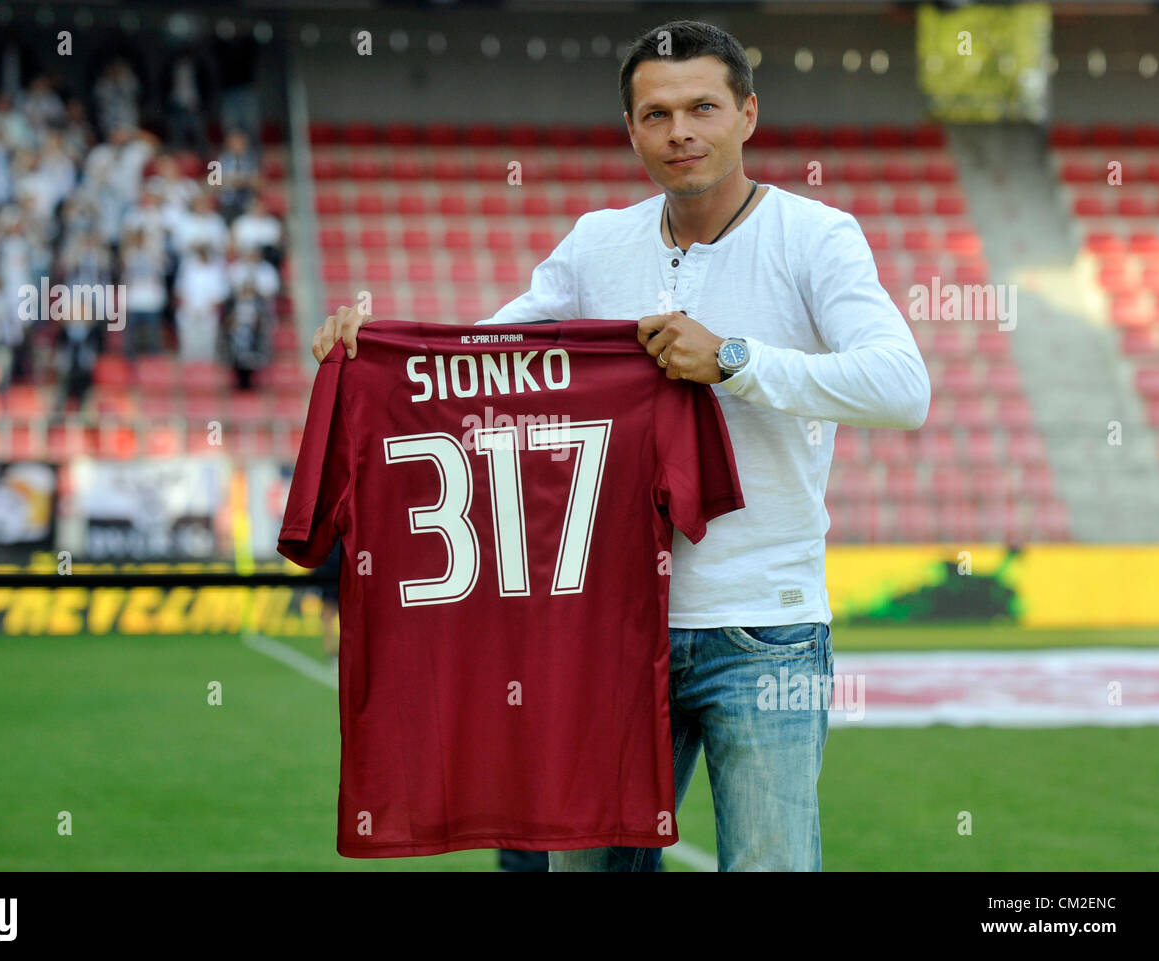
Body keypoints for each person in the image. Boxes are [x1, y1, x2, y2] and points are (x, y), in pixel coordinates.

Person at [310, 20, 930, 872]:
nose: (682, 131)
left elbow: (903, 386)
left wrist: (734, 361)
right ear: (631, 131)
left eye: (704, 107)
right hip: (603, 628)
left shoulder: (815, 235)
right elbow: (479, 364)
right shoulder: (598, 241)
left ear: (748, 114)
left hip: (765, 624)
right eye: (657, 114)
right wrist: (375, 349)